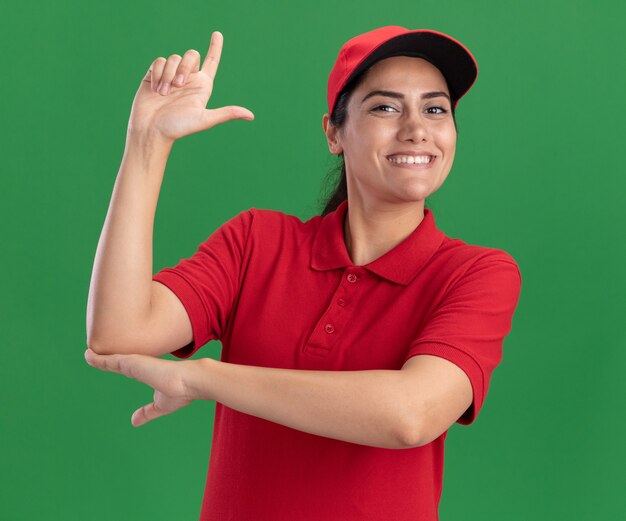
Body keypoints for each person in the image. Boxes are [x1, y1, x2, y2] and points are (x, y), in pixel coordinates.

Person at [85, 26, 522, 521]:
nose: (416, 128)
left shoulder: (477, 274)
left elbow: (411, 414)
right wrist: (147, 143)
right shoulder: (255, 242)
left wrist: (203, 378)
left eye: (435, 109)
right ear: (334, 133)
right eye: (385, 107)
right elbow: (117, 332)